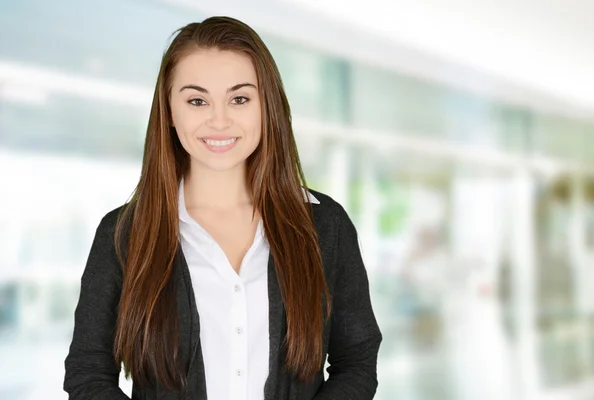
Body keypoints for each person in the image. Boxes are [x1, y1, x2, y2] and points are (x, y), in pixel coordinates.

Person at [63, 16, 382, 400]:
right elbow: (88, 375)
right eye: (197, 100)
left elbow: (357, 361)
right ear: (169, 111)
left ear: (268, 107)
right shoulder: (123, 234)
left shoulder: (325, 226)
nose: (219, 120)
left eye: (240, 99)